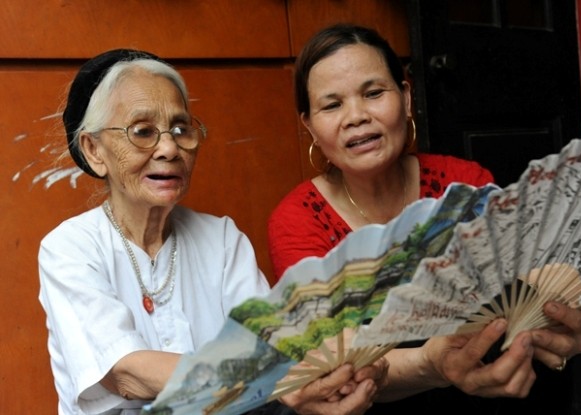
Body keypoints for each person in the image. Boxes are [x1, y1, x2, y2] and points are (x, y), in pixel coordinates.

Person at [37, 48, 387, 415]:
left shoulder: (220, 238)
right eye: (143, 132)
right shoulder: (70, 248)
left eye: (180, 129)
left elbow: (272, 346)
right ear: (94, 150)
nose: (170, 148)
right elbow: (127, 374)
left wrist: (342, 365)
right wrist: (278, 379)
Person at [267, 23, 581, 413]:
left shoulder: (463, 184)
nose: (356, 116)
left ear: (406, 98)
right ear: (309, 125)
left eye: (373, 93)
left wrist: (567, 316)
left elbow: (533, 282)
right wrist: (432, 363)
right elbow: (339, 367)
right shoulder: (298, 220)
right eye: (332, 104)